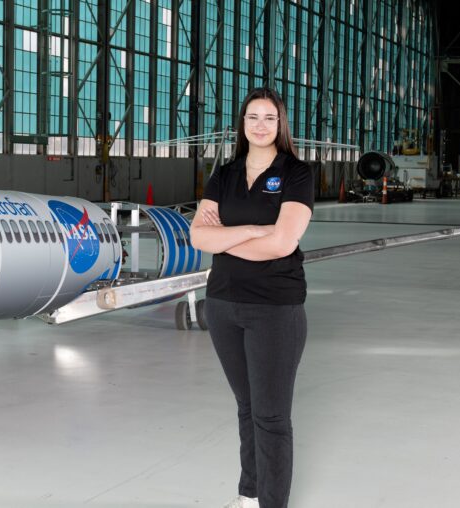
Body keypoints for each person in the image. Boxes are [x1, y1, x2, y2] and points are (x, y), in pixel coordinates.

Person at [190, 87, 314, 508]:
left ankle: (272, 503)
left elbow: (282, 244)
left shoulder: (297, 174)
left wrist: (224, 237)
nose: (260, 125)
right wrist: (252, 232)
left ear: (281, 125)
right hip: (223, 303)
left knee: (272, 416)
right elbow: (197, 235)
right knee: (246, 407)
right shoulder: (223, 174)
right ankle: (250, 495)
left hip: (274, 307)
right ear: (242, 124)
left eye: (269, 118)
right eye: (252, 117)